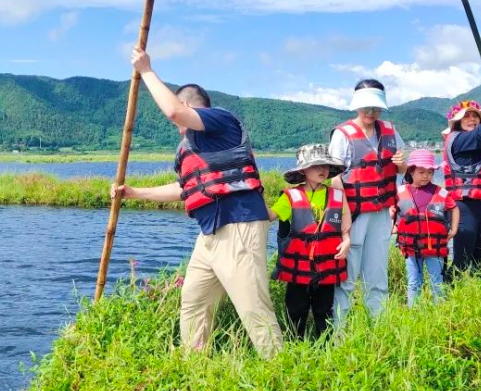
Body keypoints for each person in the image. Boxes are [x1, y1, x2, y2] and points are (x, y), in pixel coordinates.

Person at [111, 47, 283, 359]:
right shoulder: (188, 147)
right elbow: (185, 189)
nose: (175, 122)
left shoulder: (221, 121)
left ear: (190, 105)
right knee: (194, 301)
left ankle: (280, 371)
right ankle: (194, 364)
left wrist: (146, 69)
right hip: (210, 233)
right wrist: (135, 193)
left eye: (180, 108)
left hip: (239, 224)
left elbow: (174, 112)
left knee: (253, 306)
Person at [328, 79, 405, 323]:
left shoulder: (390, 131)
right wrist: (345, 218)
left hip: (382, 212)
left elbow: (402, 169)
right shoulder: (343, 134)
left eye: (375, 107)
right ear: (356, 106)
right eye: (366, 107)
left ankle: (379, 327)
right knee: (346, 276)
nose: (370, 113)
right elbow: (334, 178)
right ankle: (340, 332)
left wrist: (402, 163)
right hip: (353, 212)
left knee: (377, 274)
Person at [270, 144, 351, 340]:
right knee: (296, 310)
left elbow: (345, 228)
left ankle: (325, 347)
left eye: (325, 165)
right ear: (303, 171)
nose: (322, 169)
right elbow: (269, 215)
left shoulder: (337, 196)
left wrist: (347, 242)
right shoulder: (290, 196)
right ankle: (295, 345)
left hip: (326, 266)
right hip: (298, 270)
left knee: (324, 311)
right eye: (316, 166)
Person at [441, 79, 481, 272]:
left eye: (475, 116)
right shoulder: (460, 139)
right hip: (464, 207)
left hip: (477, 210)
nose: (472, 119)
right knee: (462, 261)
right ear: (458, 122)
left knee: (479, 258)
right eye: (466, 116)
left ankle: (479, 297)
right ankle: (447, 295)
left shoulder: (472, 143)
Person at [395, 149, 460, 307]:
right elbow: (393, 211)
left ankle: (439, 312)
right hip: (411, 249)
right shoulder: (400, 192)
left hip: (435, 249)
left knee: (436, 281)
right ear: (411, 171)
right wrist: (393, 226)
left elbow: (455, 208)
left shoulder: (441, 192)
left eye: (430, 172)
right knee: (413, 282)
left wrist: (454, 229)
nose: (426, 176)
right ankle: (413, 313)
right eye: (421, 172)